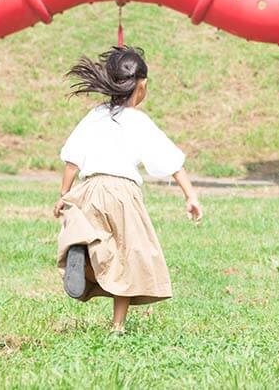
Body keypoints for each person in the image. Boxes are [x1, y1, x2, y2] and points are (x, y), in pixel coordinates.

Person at [53, 46, 203, 334]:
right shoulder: (139, 121)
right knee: (128, 257)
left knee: (96, 242)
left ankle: (80, 256)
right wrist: (190, 195)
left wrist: (64, 195)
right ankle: (117, 326)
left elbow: (72, 157)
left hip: (90, 189)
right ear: (141, 85)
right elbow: (171, 160)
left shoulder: (95, 115)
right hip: (123, 193)